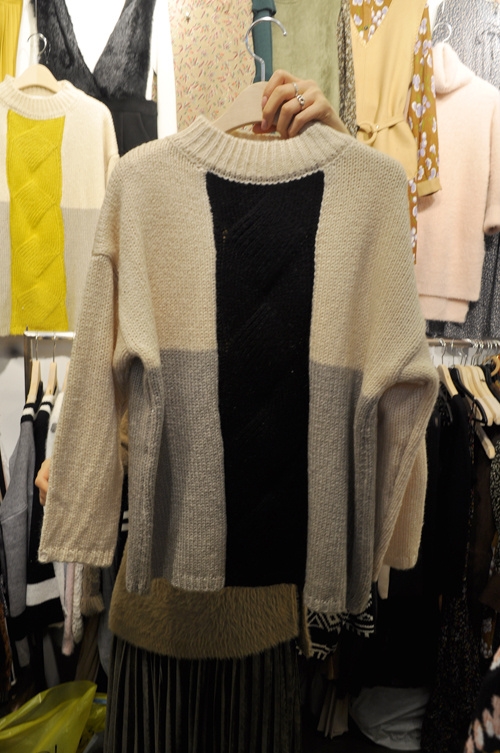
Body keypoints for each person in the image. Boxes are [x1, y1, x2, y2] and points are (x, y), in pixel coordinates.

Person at [34, 69, 349, 505]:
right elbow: (136, 413)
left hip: (310, 535)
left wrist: (343, 150)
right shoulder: (155, 199)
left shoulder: (347, 218)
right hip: (184, 533)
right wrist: (80, 468)